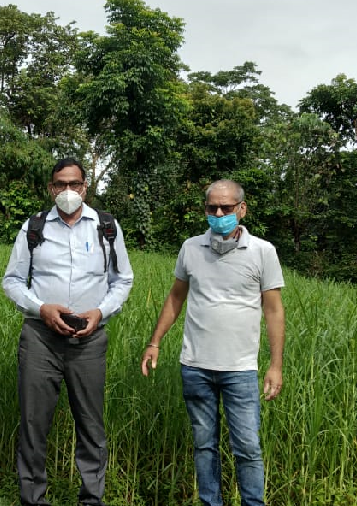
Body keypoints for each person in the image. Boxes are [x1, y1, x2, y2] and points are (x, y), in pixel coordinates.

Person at [140, 179, 285, 506]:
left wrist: (275, 365)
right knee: (204, 447)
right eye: (212, 208)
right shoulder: (191, 248)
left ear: (242, 209)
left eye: (226, 208)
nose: (219, 214)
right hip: (195, 367)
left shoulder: (263, 252)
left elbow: (274, 310)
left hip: (240, 370)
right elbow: (176, 297)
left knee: (247, 448)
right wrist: (155, 342)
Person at [2, 158, 134, 506]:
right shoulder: (34, 227)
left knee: (91, 423)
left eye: (74, 184)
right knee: (34, 422)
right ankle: (33, 498)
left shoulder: (106, 226)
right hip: (40, 337)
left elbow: (123, 280)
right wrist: (41, 309)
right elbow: (12, 281)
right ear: (51, 188)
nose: (67, 190)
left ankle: (91, 498)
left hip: (89, 339)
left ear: (85, 187)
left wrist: (100, 312)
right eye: (60, 184)